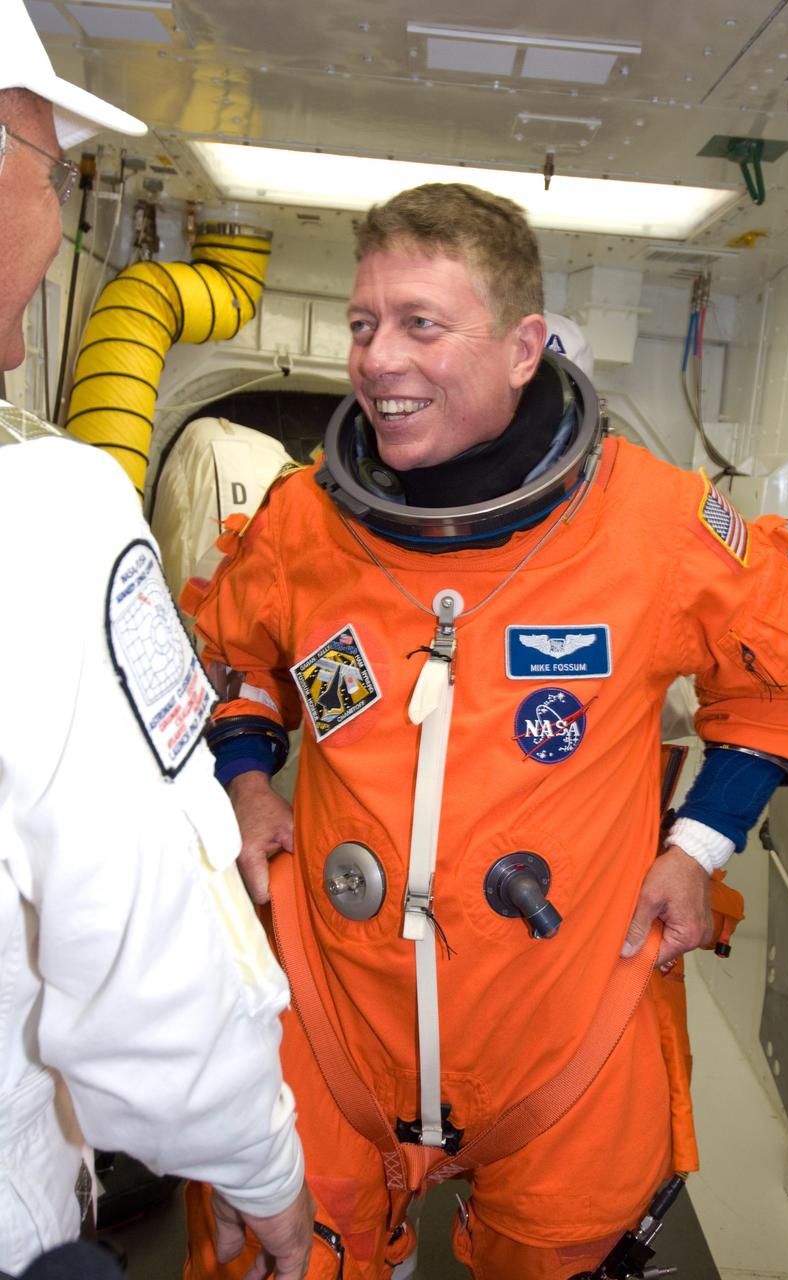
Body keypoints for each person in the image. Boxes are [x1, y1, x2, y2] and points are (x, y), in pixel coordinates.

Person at [182, 182, 788, 1280]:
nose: (377, 357)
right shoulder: (304, 523)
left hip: (562, 1022)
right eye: (362, 323)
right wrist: (250, 781)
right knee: (281, 1254)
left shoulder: (656, 524)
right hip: (335, 1004)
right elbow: (231, 661)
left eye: (421, 324)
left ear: (523, 347)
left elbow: (782, 674)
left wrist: (698, 847)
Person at [0, 3, 313, 1275]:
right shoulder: (44, 516)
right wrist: (261, 1168)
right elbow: (144, 939)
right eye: (48, 166)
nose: (57, 216)